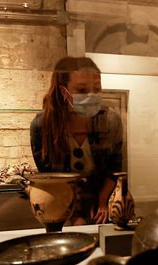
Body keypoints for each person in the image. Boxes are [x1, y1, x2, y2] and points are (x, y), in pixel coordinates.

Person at [30, 57, 124, 225]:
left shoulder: (110, 121)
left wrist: (102, 202)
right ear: (64, 92)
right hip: (61, 201)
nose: (92, 95)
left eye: (97, 89)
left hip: (103, 199)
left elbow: (114, 167)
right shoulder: (42, 126)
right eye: (81, 90)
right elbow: (50, 177)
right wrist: (72, 214)